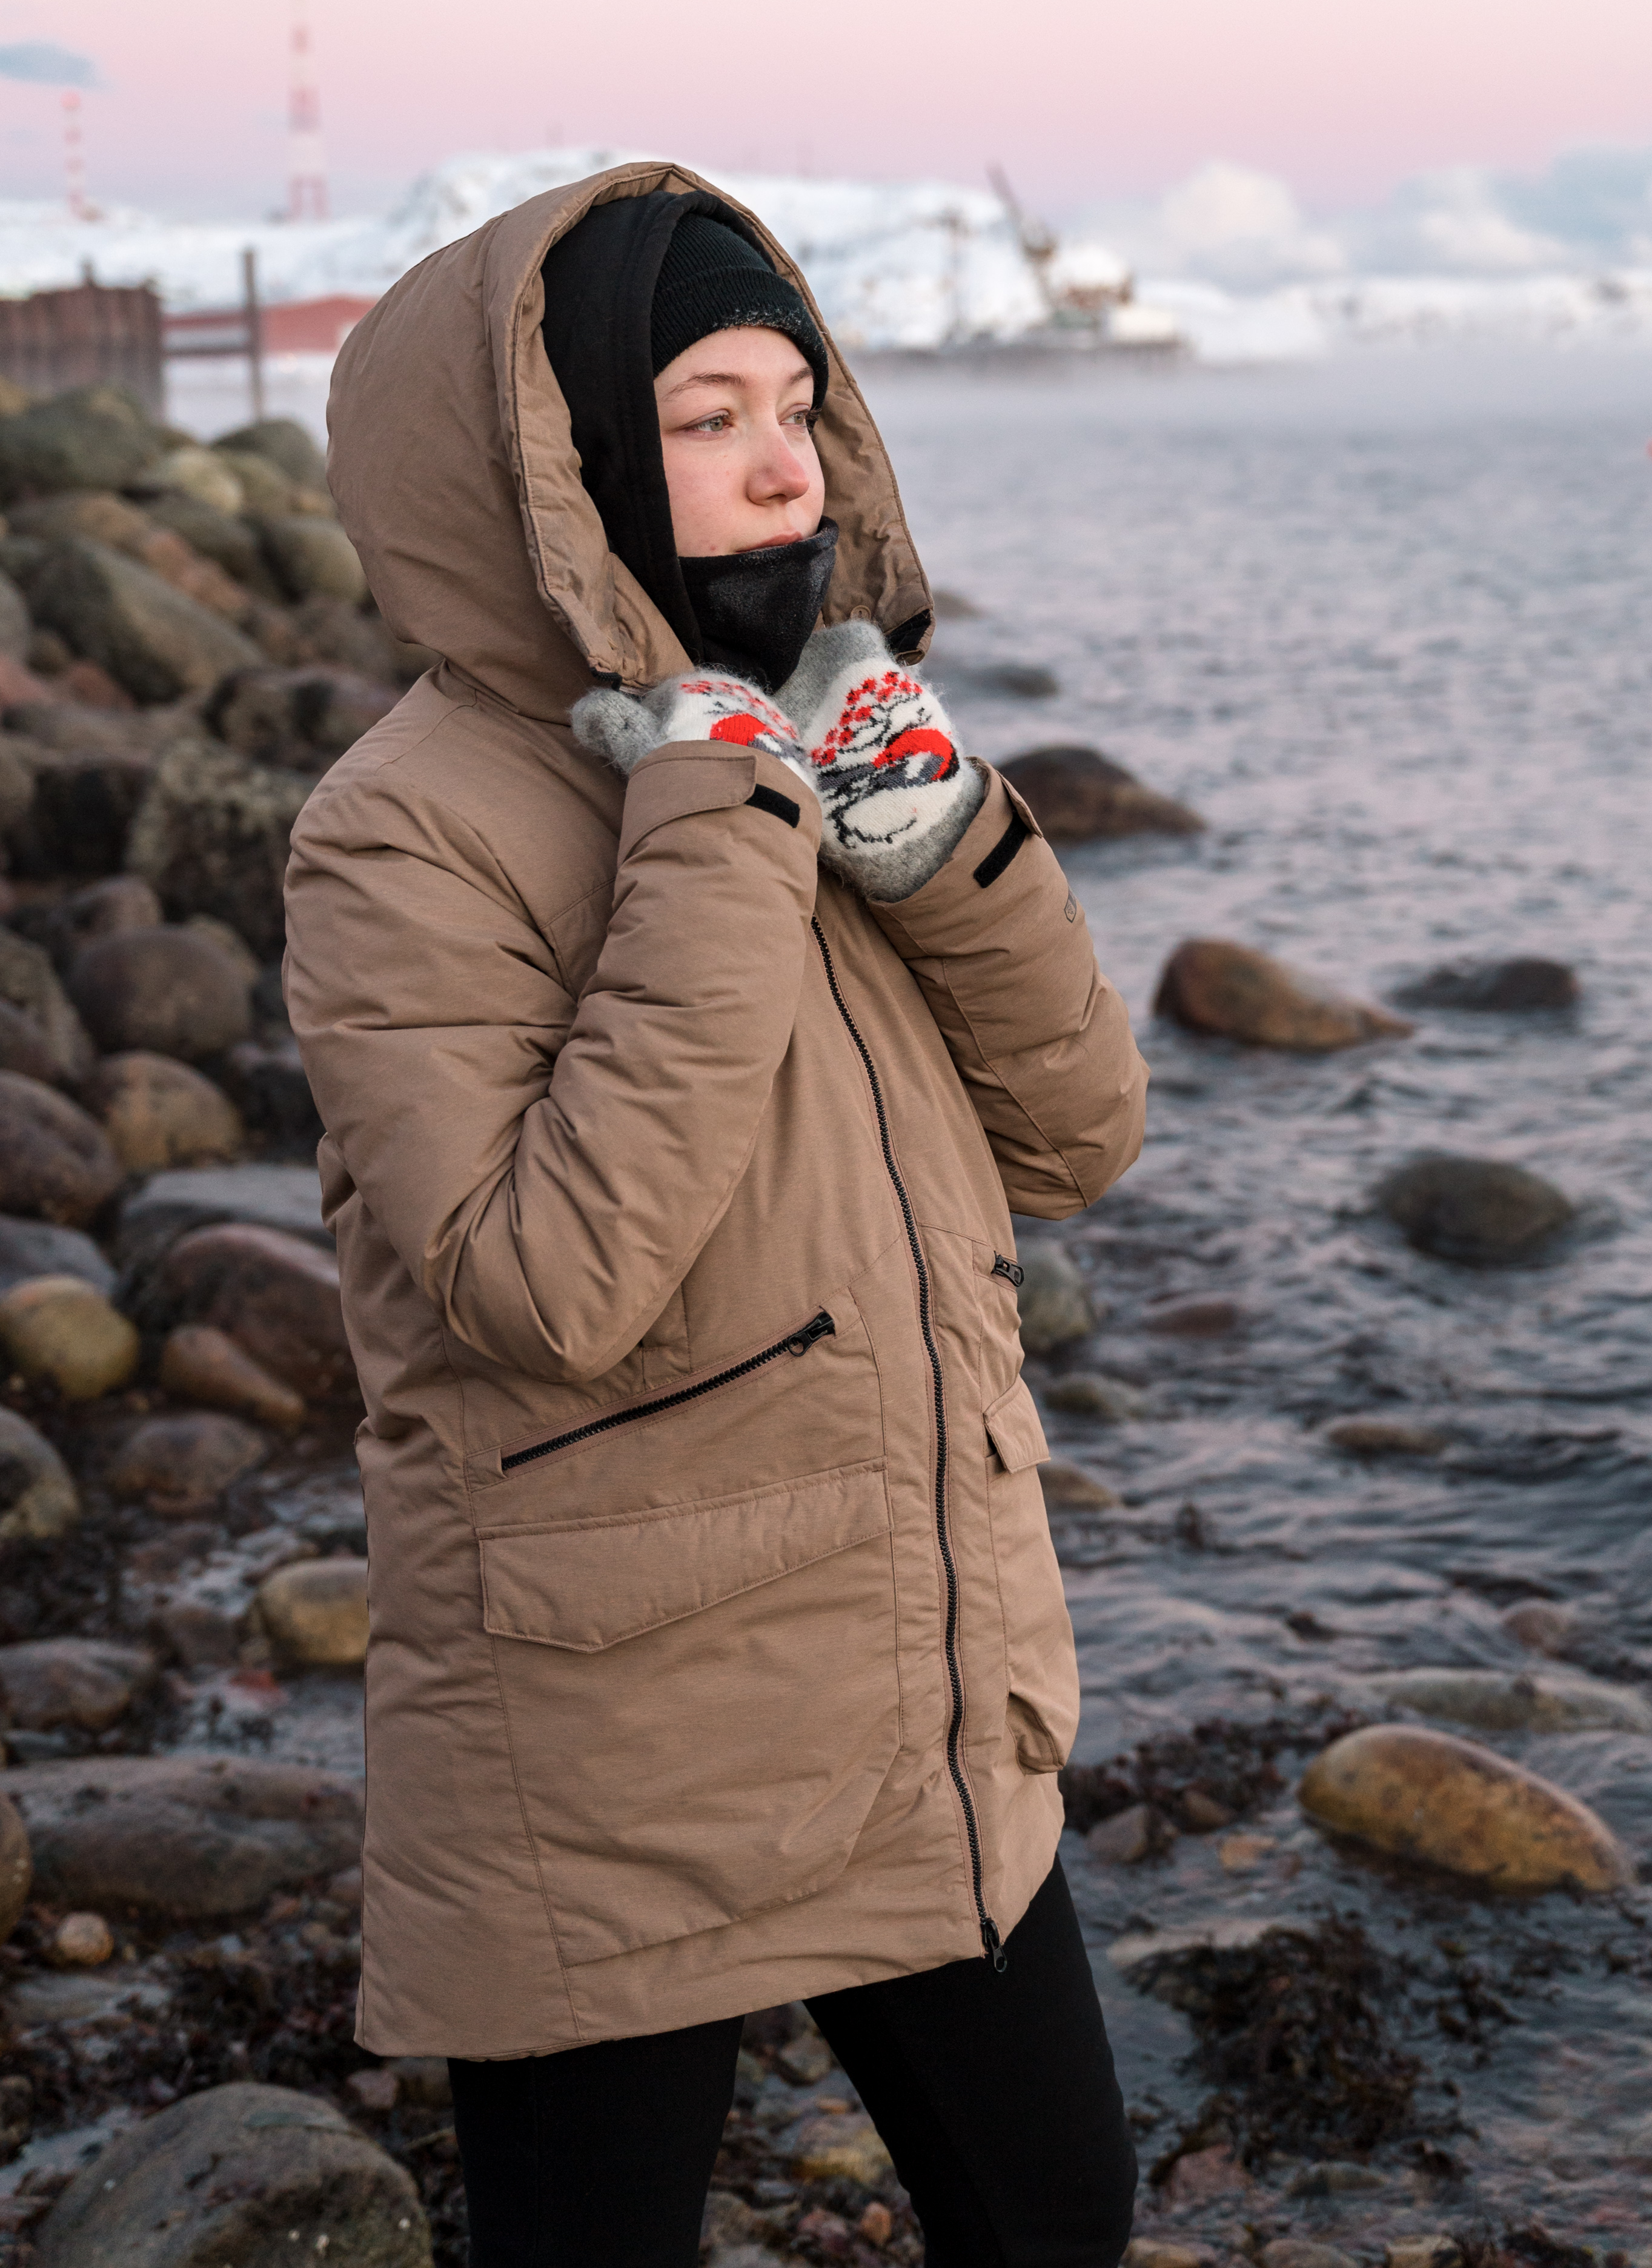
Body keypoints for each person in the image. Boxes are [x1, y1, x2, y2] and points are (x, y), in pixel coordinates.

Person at [284, 163, 1150, 2268]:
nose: (781, 469)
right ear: (562, 464)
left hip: (912, 1675)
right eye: (701, 417)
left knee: (1056, 2222)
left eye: (796, 405)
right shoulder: (401, 829)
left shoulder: (823, 742)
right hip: (607, 1745)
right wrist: (711, 819)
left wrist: (931, 830)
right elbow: (543, 1282)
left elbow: (1081, 1130)